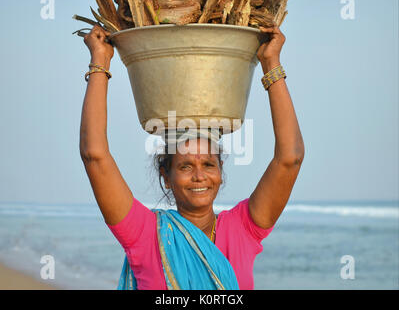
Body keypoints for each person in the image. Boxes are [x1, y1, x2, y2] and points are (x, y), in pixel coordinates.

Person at [80, 24, 305, 290]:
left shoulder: (242, 229)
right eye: (186, 165)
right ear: (166, 176)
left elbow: (290, 158)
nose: (199, 175)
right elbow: (95, 156)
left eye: (208, 164)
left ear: (220, 171)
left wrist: (271, 64)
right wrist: (100, 62)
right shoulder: (145, 234)